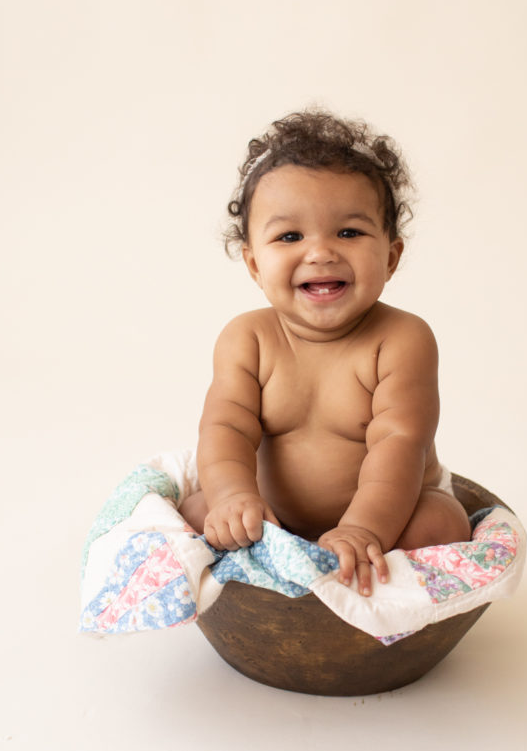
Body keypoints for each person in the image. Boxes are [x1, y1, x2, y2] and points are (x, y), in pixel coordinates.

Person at [179, 110, 471, 596]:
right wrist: (233, 497)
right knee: (195, 511)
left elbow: (400, 444)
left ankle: (365, 588)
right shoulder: (247, 339)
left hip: (388, 516)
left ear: (391, 256)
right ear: (254, 262)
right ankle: (274, 571)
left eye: (349, 232)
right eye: (290, 236)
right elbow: (224, 428)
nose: (320, 253)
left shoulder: (400, 339)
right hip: (273, 520)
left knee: (442, 523)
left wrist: (364, 529)